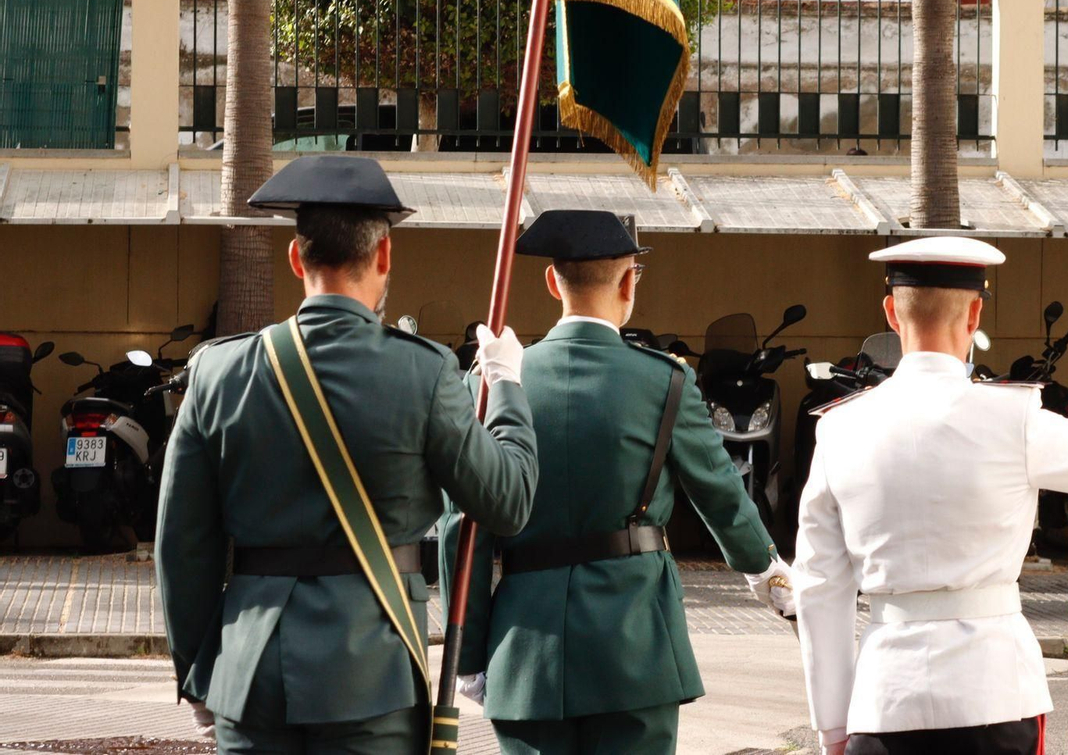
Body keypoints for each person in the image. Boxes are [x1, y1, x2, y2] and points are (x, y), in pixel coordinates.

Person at [155, 155, 539, 754]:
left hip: (246, 671)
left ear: (294, 258)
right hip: (373, 677)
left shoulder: (217, 370)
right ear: (384, 256)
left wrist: (198, 674)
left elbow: (182, 544)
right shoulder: (426, 371)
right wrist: (507, 385)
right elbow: (508, 502)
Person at [792, 236, 1068, 755]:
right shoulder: (1013, 419)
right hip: (995, 693)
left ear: (890, 312)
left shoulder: (840, 427)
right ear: (974, 315)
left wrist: (832, 728)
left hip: (886, 697)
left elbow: (819, 587)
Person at [439, 209, 795, 755]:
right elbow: (722, 496)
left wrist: (467, 660)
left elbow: (461, 531)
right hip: (637, 650)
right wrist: (772, 580)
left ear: (551, 281)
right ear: (630, 283)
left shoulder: (489, 385)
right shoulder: (665, 380)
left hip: (526, 652)